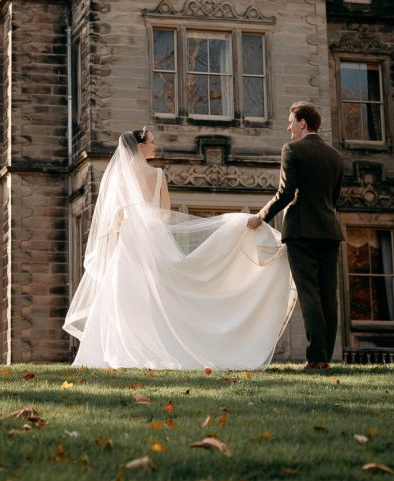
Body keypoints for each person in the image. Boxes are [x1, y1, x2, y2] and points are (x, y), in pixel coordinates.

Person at [64, 126, 296, 370]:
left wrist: (131, 223)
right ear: (141, 147)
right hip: (155, 241)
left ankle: (122, 350)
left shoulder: (119, 177)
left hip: (129, 243)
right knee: (162, 295)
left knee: (125, 296)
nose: (155, 146)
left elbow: (116, 217)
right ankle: (158, 348)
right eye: (152, 142)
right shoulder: (158, 175)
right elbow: (164, 214)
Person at [246, 103, 344, 371]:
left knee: (309, 292)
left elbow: (285, 193)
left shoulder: (292, 150)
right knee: (328, 295)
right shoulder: (336, 156)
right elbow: (333, 198)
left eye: (291, 122)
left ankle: (315, 358)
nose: (288, 128)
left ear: (303, 123)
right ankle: (323, 357)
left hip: (301, 231)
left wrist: (261, 217)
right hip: (330, 231)